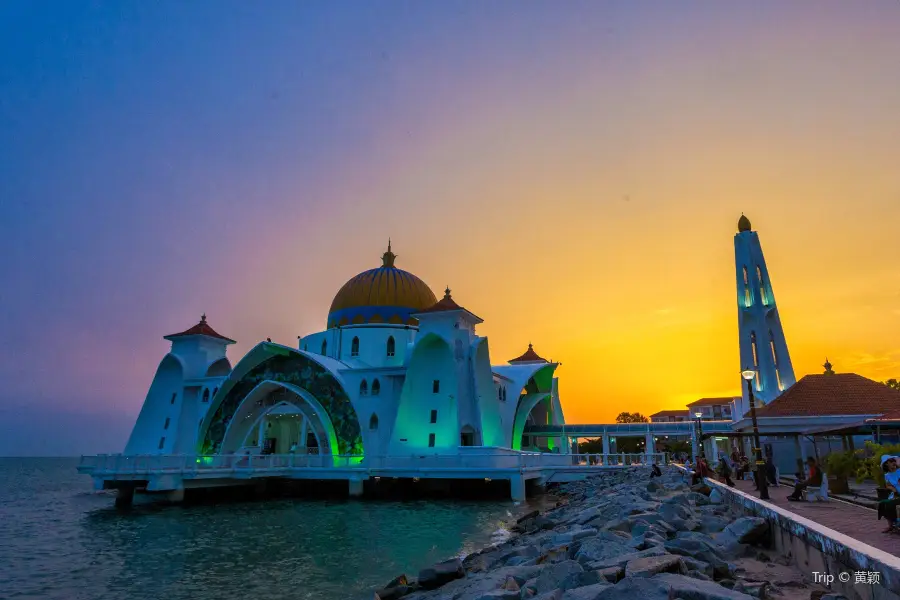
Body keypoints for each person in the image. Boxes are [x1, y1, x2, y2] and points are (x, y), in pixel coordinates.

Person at [877, 455, 900, 533]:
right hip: (896, 494)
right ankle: (890, 525)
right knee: (883, 504)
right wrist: (894, 490)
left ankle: (897, 523)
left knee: (890, 504)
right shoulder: (887, 475)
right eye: (891, 461)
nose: (893, 462)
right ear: (886, 464)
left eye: (894, 461)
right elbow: (888, 485)